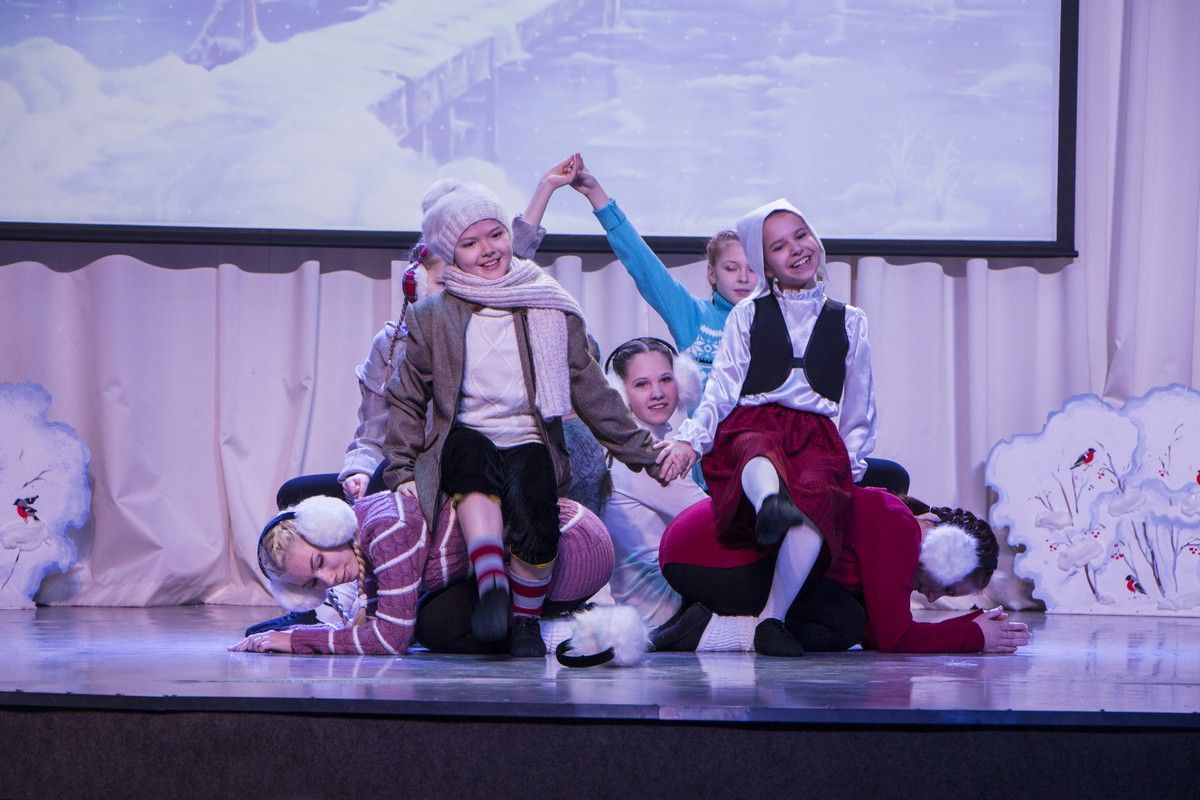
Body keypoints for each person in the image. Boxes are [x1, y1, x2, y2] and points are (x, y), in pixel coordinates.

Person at [383, 177, 666, 657]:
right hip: (468, 438)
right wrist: (400, 470)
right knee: (468, 457)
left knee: (536, 511)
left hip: (529, 438)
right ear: (451, 254)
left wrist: (645, 452)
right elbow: (407, 397)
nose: (487, 249)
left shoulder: (545, 300)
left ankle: (525, 620)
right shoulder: (432, 316)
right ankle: (492, 581)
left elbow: (591, 389)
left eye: (495, 234)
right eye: (470, 243)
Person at [568, 154, 909, 495]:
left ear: (767, 267)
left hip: (785, 456)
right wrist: (597, 196)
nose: (744, 277)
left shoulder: (794, 317)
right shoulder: (695, 318)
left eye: (751, 267)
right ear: (712, 273)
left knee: (889, 480)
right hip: (719, 463)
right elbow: (644, 266)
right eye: (731, 268)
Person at [274, 161, 577, 510]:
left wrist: (545, 188)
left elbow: (515, 254)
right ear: (416, 284)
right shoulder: (391, 345)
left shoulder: (490, 327)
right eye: (443, 283)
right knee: (296, 494)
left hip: (469, 465)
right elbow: (373, 433)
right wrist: (358, 471)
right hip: (403, 468)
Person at [654, 199, 874, 657]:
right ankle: (770, 502)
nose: (796, 249)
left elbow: (859, 405)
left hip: (815, 434)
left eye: (801, 235)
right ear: (765, 264)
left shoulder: (850, 321)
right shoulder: (748, 314)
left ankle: (772, 619)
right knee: (756, 447)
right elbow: (721, 388)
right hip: (754, 421)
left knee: (815, 499)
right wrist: (691, 439)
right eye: (779, 246)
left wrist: (850, 466)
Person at [652, 487, 1032, 655]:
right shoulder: (899, 529)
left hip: (698, 554)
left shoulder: (900, 522)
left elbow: (878, 632)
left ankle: (704, 618)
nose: (932, 597)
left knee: (849, 616)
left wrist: (971, 623)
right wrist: (974, 637)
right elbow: (893, 638)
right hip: (706, 556)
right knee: (843, 622)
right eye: (946, 587)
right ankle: (707, 631)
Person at [230, 492, 613, 656]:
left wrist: (297, 640)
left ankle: (551, 628)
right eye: (313, 584)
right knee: (426, 617)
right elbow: (378, 625)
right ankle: (535, 621)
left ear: (327, 527)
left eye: (319, 563)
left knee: (434, 624)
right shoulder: (361, 545)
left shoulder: (388, 529)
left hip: (571, 546)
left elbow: (390, 638)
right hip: (512, 562)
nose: (329, 580)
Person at [601, 336, 706, 627]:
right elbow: (715, 520)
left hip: (664, 603)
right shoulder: (645, 457)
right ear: (619, 394)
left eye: (666, 379)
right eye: (642, 384)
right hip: (666, 612)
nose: (658, 393)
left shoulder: (637, 444)